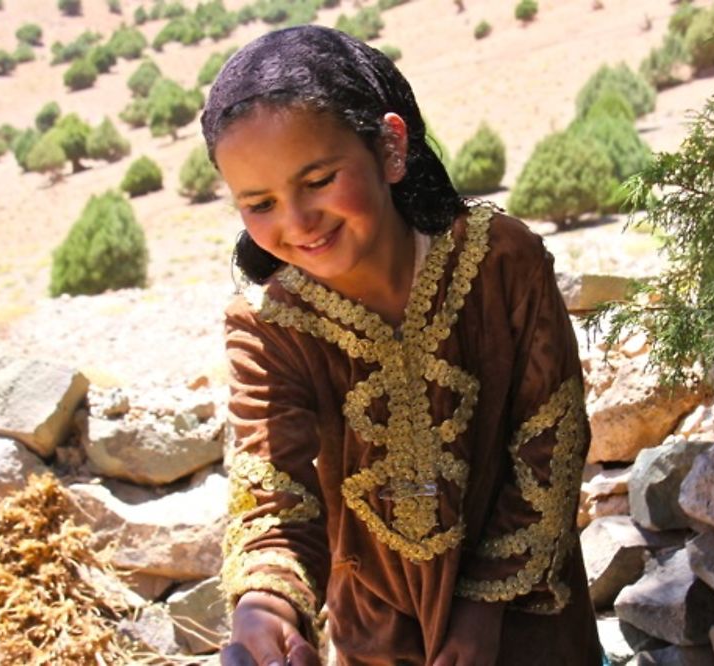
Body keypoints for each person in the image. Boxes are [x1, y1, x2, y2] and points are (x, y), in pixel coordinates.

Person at [201, 25, 602, 666]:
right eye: (261, 202)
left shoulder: (501, 262)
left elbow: (551, 441)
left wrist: (483, 609)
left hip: (528, 630)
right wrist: (266, 607)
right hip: (377, 641)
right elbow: (273, 488)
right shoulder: (269, 325)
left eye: (319, 179)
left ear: (390, 147)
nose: (297, 222)